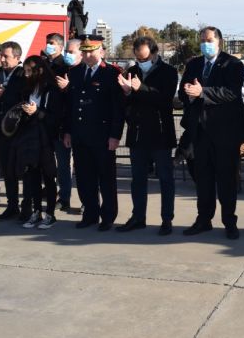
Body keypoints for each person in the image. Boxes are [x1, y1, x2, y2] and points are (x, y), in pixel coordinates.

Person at [179, 26, 244, 240]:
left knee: (226, 180)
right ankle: (203, 219)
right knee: (204, 180)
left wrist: (203, 93)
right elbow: (183, 89)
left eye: (208, 40)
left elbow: (232, 92)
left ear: (219, 42)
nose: (204, 43)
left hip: (225, 133)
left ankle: (229, 222)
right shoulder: (194, 64)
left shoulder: (232, 64)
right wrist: (189, 94)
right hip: (200, 133)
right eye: (202, 40)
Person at [116, 36, 178, 235]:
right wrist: (126, 93)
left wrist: (139, 88)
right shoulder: (131, 71)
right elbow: (126, 104)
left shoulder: (168, 72)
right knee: (138, 179)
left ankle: (167, 219)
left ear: (154, 53)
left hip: (160, 134)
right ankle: (138, 217)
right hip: (138, 134)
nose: (141, 62)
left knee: (166, 178)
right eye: (138, 59)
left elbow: (165, 99)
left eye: (144, 58)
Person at [62, 35, 124, 230]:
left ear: (101, 52)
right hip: (80, 135)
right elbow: (70, 106)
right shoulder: (75, 73)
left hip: (102, 136)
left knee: (106, 179)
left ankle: (107, 216)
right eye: (85, 51)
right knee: (84, 178)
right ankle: (90, 214)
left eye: (92, 51)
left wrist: (115, 135)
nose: (88, 55)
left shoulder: (112, 74)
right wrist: (68, 132)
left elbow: (118, 108)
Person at [11, 56, 63, 229]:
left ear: (39, 70)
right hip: (28, 136)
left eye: (29, 71)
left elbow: (55, 117)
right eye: (24, 71)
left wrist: (37, 111)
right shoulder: (27, 88)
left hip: (46, 137)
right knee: (31, 174)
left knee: (48, 176)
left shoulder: (51, 88)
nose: (26, 75)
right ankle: (36, 211)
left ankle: (50, 213)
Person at [0, 41, 27, 221]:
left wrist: (3, 94)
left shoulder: (23, 74)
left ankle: (27, 206)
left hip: (19, 131)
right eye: (0, 55)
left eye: (6, 56)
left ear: (17, 58)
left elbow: (23, 100)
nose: (1, 59)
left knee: (23, 170)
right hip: (1, 131)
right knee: (7, 171)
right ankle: (12, 206)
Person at [53, 37, 81, 211]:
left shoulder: (84, 72)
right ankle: (64, 198)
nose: (67, 55)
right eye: (66, 52)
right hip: (61, 126)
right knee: (62, 166)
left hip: (80, 128)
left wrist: (69, 87)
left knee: (85, 168)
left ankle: (89, 202)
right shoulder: (60, 69)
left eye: (71, 52)